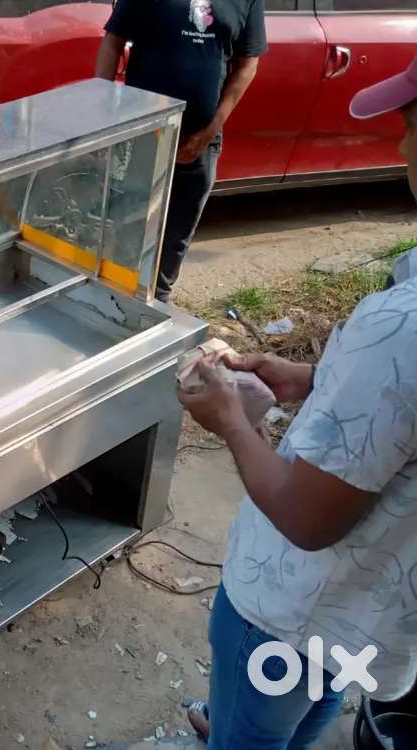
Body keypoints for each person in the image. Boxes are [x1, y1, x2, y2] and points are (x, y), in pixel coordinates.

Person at [177, 57, 417, 749]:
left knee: (257, 724)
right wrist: (316, 377)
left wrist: (228, 420)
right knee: (318, 694)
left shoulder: (401, 326)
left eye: (412, 124)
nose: (401, 145)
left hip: (292, 614)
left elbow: (307, 520)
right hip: (369, 610)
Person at [95, 0, 266, 302]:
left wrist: (212, 128)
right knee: (128, 225)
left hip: (202, 140)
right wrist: (102, 112)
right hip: (144, 134)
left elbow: (247, 63)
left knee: (176, 235)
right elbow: (113, 42)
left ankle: (157, 302)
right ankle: (113, 300)